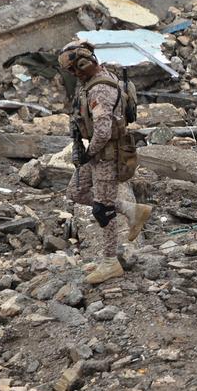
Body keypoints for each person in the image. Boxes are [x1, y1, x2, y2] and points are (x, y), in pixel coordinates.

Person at [57, 40, 152, 285]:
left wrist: (89, 153)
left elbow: (103, 131)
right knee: (76, 192)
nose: (73, 75)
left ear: (83, 64)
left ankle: (110, 262)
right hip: (98, 153)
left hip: (107, 154)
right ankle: (132, 211)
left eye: (73, 70)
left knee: (103, 209)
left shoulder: (99, 90)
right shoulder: (92, 80)